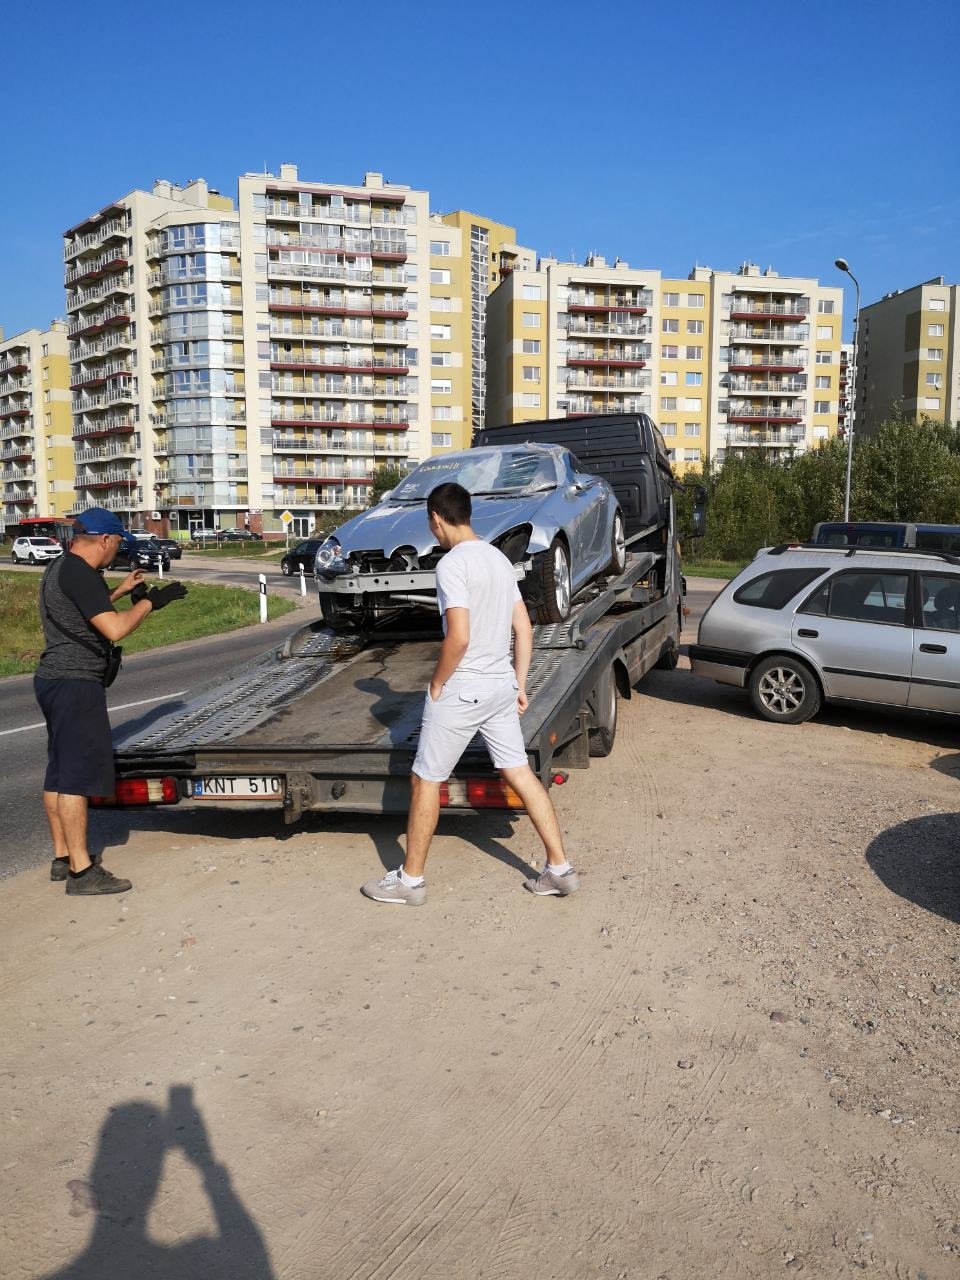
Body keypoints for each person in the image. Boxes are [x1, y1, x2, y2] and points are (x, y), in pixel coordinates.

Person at [361, 481, 579, 906]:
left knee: (425, 779)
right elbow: (524, 629)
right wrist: (519, 682)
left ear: (436, 519)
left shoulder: (451, 565)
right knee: (520, 773)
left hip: (463, 689)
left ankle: (411, 879)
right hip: (500, 685)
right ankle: (559, 869)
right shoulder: (498, 559)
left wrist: (439, 682)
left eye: (431, 523)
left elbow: (457, 637)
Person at [34, 507, 188, 896]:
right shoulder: (81, 574)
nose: (118, 550)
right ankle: (82, 873)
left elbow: (83, 607)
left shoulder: (60, 567)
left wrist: (119, 592)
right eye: (118, 543)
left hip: (52, 678)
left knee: (58, 771)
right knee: (75, 778)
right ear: (103, 539)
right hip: (75, 684)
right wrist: (151, 603)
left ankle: (62, 857)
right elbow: (114, 628)